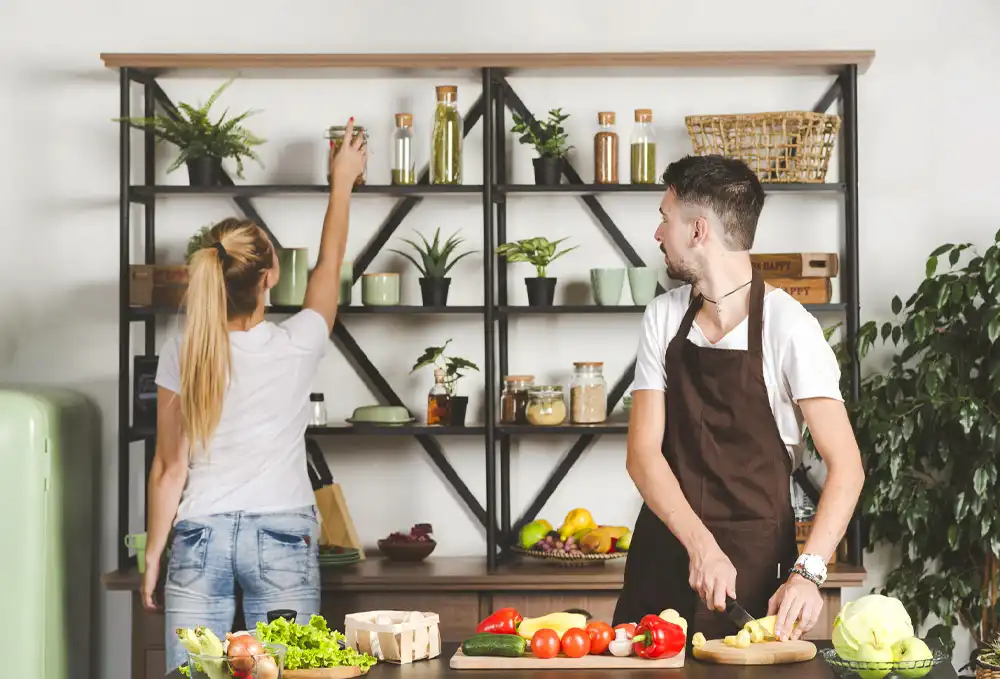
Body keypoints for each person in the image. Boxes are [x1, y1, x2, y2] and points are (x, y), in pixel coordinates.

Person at [140, 118, 367, 672]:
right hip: (282, 536)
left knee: (195, 675)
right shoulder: (297, 344)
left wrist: (152, 555)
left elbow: (170, 468)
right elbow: (329, 266)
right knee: (288, 675)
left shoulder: (183, 350)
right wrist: (342, 184)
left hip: (197, 537)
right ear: (270, 277)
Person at [612, 154, 865, 643]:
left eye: (666, 219)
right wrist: (700, 546)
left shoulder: (789, 328)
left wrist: (808, 572)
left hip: (753, 570)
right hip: (664, 555)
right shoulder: (663, 318)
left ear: (699, 230)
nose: (658, 234)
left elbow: (847, 466)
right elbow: (643, 455)